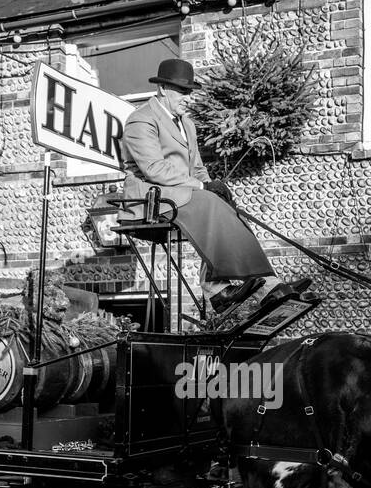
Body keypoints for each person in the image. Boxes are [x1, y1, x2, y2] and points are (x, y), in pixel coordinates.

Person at [119, 58, 309, 314]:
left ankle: (260, 286)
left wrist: (211, 184)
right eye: (182, 91)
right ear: (163, 89)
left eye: (190, 92)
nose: (187, 97)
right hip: (150, 197)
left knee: (227, 206)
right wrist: (202, 188)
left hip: (180, 192)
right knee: (209, 201)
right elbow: (154, 169)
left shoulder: (187, 123)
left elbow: (196, 167)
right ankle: (217, 289)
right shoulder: (140, 120)